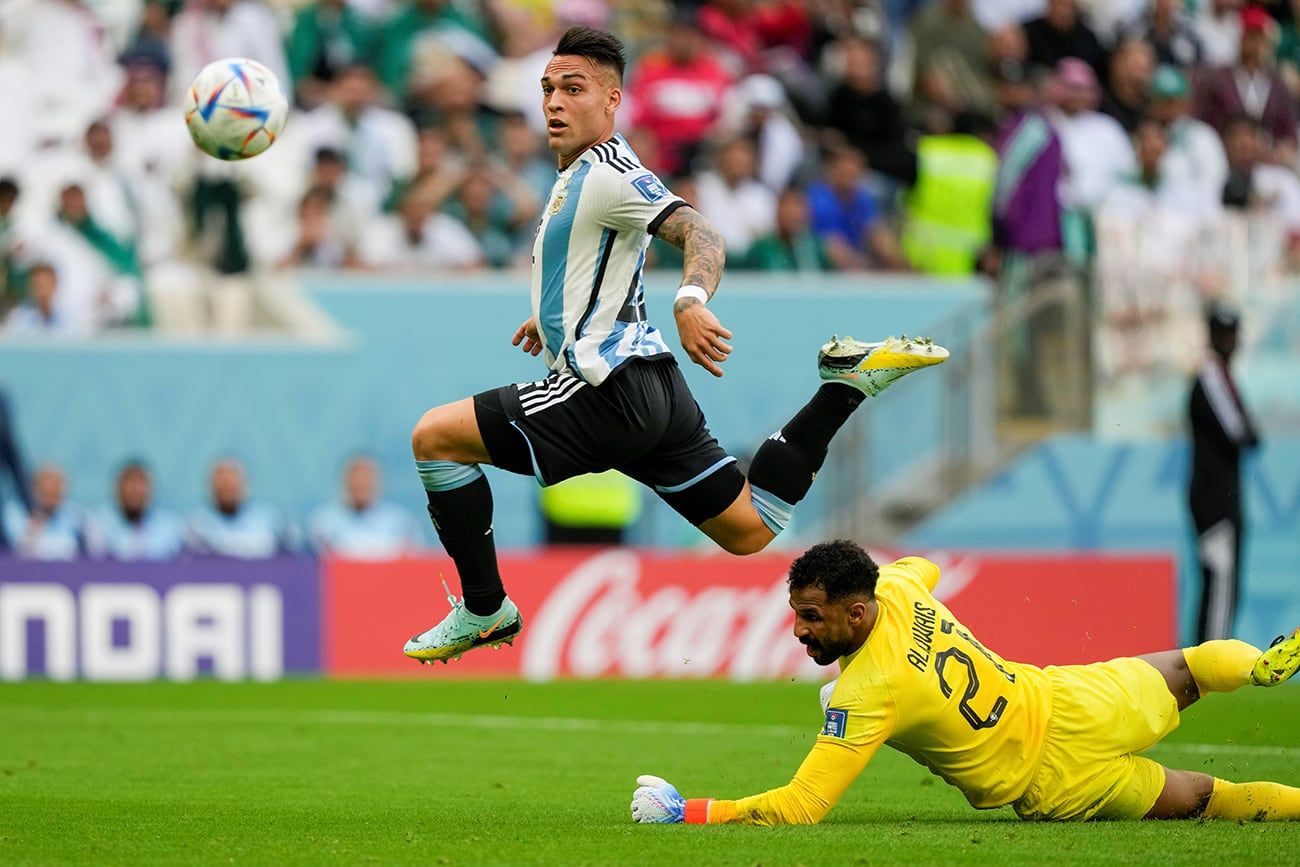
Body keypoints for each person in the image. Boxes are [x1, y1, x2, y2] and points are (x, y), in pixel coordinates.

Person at [403, 26, 948, 665]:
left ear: (612, 101)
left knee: (433, 439)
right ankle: (842, 387)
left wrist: (690, 300)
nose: (553, 102)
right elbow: (601, 267)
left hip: (607, 390)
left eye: (573, 88)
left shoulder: (607, 171)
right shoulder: (576, 176)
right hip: (652, 388)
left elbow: (698, 230)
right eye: (548, 88)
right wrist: (551, 322)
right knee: (752, 527)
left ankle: (485, 606)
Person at [629, 539, 1300, 826]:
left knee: (1208, 800)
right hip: (1067, 700)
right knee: (1188, 669)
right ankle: (1263, 667)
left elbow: (801, 806)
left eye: (812, 617)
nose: (799, 631)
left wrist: (690, 809)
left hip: (1054, 783)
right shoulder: (894, 584)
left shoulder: (869, 692)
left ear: (855, 612)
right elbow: (921, 567)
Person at [1188, 304, 1261, 643]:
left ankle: (1211, 657)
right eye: (1224, 334)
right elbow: (1241, 433)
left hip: (1223, 496)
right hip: (1214, 499)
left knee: (1224, 581)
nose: (1230, 341)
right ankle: (1210, 663)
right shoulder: (1211, 379)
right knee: (1219, 580)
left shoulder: (1223, 379)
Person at [310, 455, 423, 560]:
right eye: (356, 479)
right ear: (345, 481)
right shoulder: (323, 524)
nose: (361, 483)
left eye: (366, 480)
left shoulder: (401, 524)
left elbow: (417, 563)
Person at [187, 458, 294, 558]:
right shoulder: (198, 524)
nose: (227, 486)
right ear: (211, 488)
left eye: (231, 483)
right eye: (222, 485)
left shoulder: (270, 520)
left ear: (245, 486)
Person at [86, 460, 185, 560]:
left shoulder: (170, 526)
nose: (134, 489)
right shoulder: (98, 524)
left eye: (141, 483)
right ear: (116, 488)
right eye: (128, 482)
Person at [3, 464, 85, 560]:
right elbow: (20, 548)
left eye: (57, 494)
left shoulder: (75, 514)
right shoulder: (15, 512)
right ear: (35, 490)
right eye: (48, 493)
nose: (52, 501)